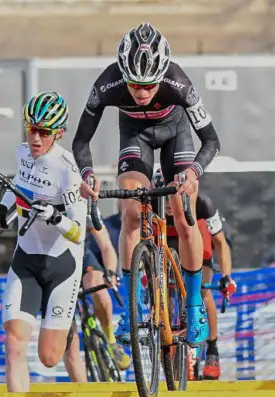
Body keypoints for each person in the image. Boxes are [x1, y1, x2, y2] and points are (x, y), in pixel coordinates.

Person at [73, 23, 221, 348]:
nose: (141, 93)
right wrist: (87, 175)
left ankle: (194, 305)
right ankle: (132, 310)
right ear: (123, 75)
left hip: (176, 135)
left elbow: (211, 140)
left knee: (184, 215)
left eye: (149, 86)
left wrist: (193, 172)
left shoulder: (178, 82)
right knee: (131, 214)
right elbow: (81, 141)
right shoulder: (107, 84)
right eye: (135, 86)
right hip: (135, 137)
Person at [0, 91, 88, 393]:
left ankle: (67, 329)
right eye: (30, 128)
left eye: (43, 132)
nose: (35, 138)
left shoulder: (67, 169)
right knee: (13, 343)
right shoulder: (22, 153)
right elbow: (17, 188)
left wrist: (55, 216)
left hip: (62, 265)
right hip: (27, 259)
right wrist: (3, 207)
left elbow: (79, 232)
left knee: (49, 357)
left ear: (58, 133)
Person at [164, 192, 235, 380]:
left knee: (201, 290)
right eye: (165, 199)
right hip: (170, 243)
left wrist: (227, 276)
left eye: (173, 197)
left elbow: (220, 243)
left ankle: (212, 350)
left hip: (201, 240)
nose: (169, 203)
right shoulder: (154, 202)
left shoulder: (203, 203)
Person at [78, 202, 131, 370]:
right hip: (50, 260)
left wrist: (110, 273)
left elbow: (107, 247)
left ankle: (110, 340)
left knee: (95, 281)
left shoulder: (85, 204)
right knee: (68, 347)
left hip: (80, 254)